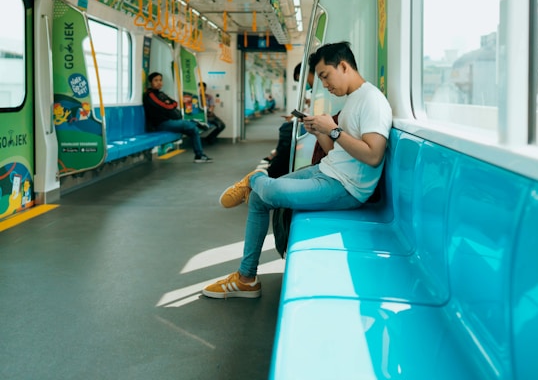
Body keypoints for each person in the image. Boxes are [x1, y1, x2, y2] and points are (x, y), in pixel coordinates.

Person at [202, 42, 392, 298]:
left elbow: (373, 155)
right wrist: (320, 131)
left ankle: (255, 178)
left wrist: (333, 130)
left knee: (273, 188)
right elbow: (336, 151)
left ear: (344, 66)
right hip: (328, 170)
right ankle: (246, 278)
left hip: (346, 188)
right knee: (260, 197)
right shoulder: (352, 100)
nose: (324, 84)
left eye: (325, 76)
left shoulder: (372, 101)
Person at [143, 72, 212, 163]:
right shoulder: (150, 95)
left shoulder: (161, 94)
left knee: (194, 130)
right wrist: (168, 104)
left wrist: (168, 104)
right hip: (161, 123)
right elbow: (164, 106)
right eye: (156, 80)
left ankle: (199, 155)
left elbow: (175, 103)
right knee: (189, 125)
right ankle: (194, 122)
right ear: (150, 83)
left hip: (170, 121)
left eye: (160, 80)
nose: (159, 82)